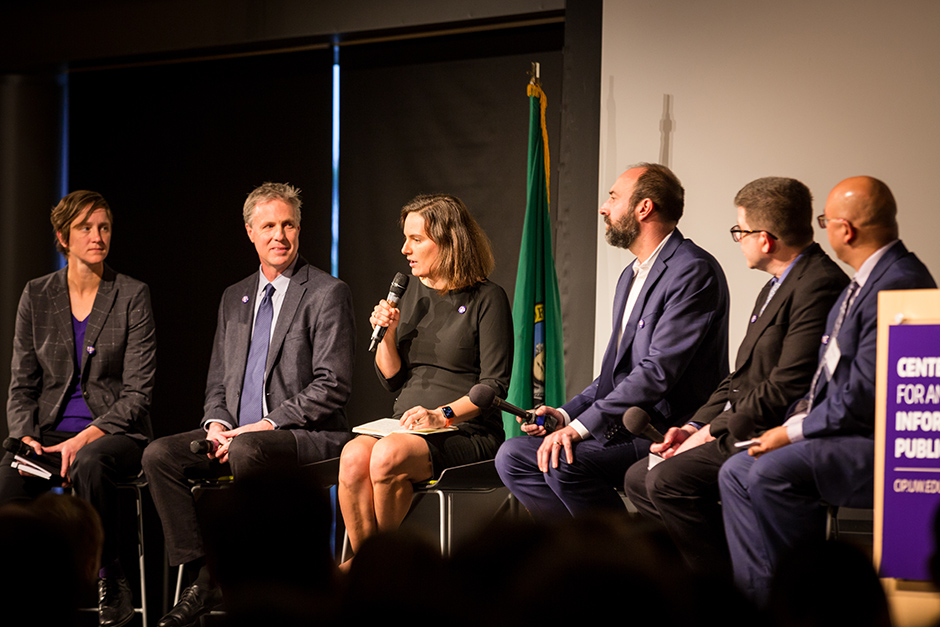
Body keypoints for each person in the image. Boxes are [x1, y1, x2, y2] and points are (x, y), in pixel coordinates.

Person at [141, 182, 355, 627]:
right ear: (250, 233)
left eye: (288, 225)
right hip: (237, 436)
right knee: (158, 455)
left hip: (307, 436)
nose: (280, 235)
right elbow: (218, 384)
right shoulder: (233, 297)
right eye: (269, 226)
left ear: (299, 230)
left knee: (246, 450)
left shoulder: (326, 292)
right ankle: (212, 569)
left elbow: (332, 385)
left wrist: (265, 425)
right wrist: (217, 424)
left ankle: (222, 581)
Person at [718, 176, 936, 604]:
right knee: (737, 471)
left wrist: (792, 431)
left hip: (880, 445)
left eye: (826, 220)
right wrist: (796, 420)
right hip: (842, 429)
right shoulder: (862, 283)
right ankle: (762, 599)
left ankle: (808, 603)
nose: (822, 229)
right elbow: (827, 378)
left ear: (846, 230)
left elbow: (865, 393)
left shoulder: (899, 283)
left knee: (771, 471)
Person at [623, 177, 849, 576]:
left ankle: (725, 589)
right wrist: (693, 424)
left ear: (765, 239)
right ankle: (695, 580)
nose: (737, 239)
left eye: (739, 231)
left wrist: (711, 433)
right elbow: (739, 377)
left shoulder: (820, 285)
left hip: (772, 429)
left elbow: (787, 385)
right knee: (640, 477)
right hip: (740, 421)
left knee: (666, 481)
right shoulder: (774, 286)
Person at [495, 163, 730, 518]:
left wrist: (579, 429)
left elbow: (656, 373)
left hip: (658, 429)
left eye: (613, 197)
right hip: (620, 423)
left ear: (644, 208)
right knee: (513, 456)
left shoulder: (692, 270)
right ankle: (571, 555)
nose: (604, 207)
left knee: (562, 460)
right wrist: (564, 415)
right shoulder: (630, 274)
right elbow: (616, 375)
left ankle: (619, 559)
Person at [1, 190, 156, 627]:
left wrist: (87, 436)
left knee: (89, 463)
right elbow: (22, 383)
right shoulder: (37, 295)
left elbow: (138, 394)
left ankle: (111, 578)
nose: (97, 236)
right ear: (63, 238)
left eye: (104, 227)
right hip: (47, 435)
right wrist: (25, 434)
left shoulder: (131, 295)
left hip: (112, 435)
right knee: (6, 485)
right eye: (85, 228)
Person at [337, 193, 512, 561]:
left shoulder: (488, 298)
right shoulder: (410, 294)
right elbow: (393, 379)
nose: (405, 249)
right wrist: (385, 334)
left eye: (416, 239)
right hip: (407, 427)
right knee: (353, 457)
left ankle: (376, 568)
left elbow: (494, 387)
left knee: (386, 457)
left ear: (449, 242)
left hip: (466, 429)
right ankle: (375, 569)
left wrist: (441, 415)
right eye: (405, 238)